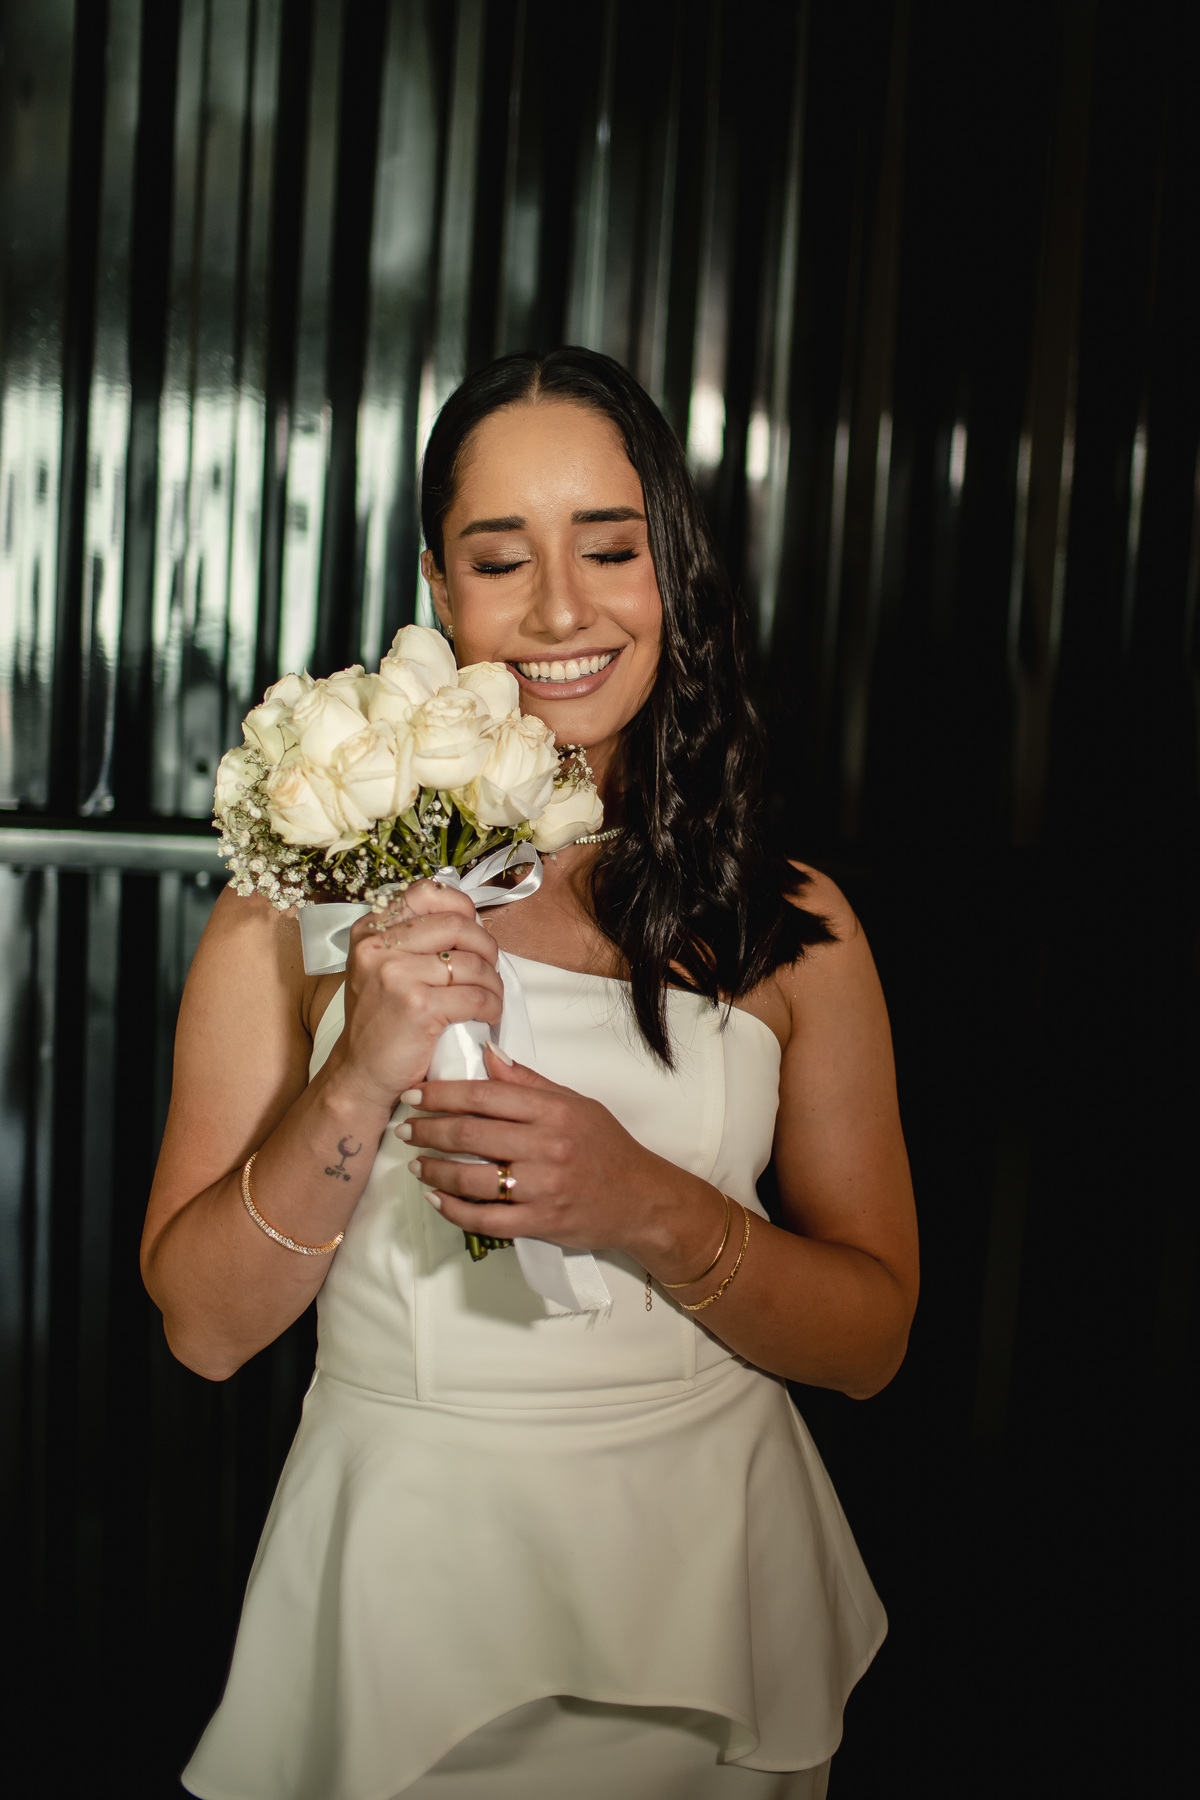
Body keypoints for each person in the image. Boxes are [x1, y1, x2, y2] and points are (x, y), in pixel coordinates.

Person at [143, 347, 918, 1800]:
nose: (563, 611)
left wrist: (642, 1204)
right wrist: (356, 1076)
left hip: (713, 1601)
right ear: (438, 589)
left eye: (611, 549)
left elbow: (871, 1344)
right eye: (503, 560)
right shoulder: (290, 908)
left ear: (672, 569)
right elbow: (204, 1329)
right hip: (405, 1608)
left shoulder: (791, 923)